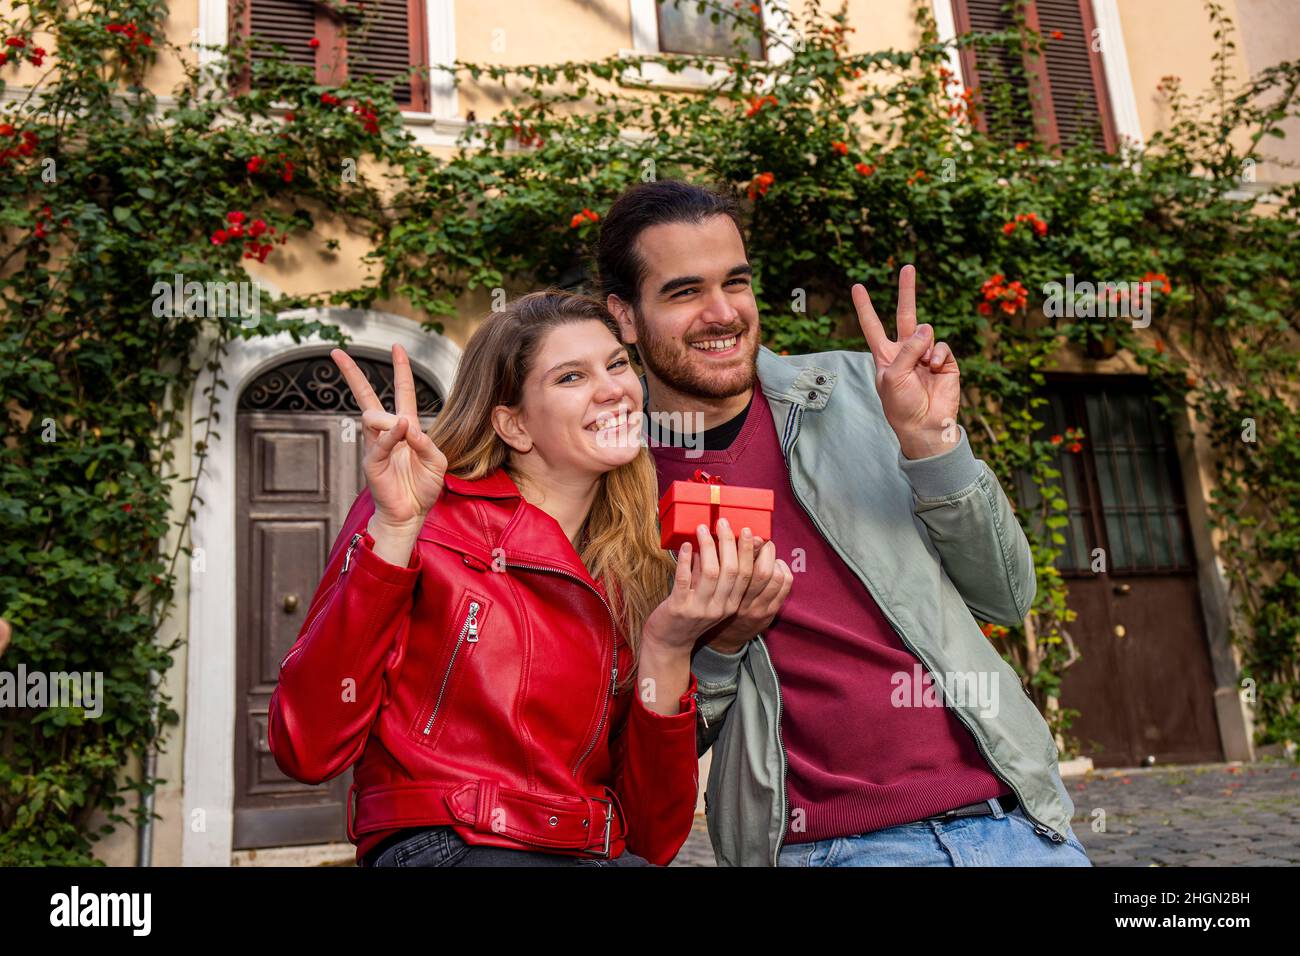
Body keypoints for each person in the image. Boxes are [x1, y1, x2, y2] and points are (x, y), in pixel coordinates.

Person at [597, 180, 1091, 867]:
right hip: (829, 849)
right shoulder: (620, 487)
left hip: (1015, 825)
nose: (722, 313)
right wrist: (721, 644)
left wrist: (934, 444)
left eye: (735, 283)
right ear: (625, 316)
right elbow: (651, 745)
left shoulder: (864, 391)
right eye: (684, 293)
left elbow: (1005, 595)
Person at [268, 290, 786, 866]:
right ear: (513, 425)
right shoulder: (422, 513)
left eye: (617, 364)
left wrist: (668, 645)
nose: (613, 388)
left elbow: (653, 834)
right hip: (450, 844)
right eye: (570, 377)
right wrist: (393, 533)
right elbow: (306, 745)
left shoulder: (636, 566)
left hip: (587, 854)